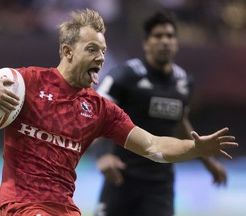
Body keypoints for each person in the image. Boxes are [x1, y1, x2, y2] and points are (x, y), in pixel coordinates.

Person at [0, 9, 237, 216]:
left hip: (65, 209)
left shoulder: (99, 109)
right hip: (21, 207)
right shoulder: (25, 84)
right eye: (92, 49)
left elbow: (153, 145)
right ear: (67, 52)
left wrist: (195, 148)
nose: (101, 57)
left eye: (102, 51)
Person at [94, 12, 229, 216]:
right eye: (158, 36)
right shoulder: (125, 76)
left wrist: (207, 160)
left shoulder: (184, 83)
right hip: (121, 177)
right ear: (146, 43)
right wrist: (103, 154)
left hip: (160, 183)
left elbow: (180, 121)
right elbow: (97, 114)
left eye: (170, 36)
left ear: (176, 43)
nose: (165, 41)